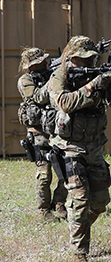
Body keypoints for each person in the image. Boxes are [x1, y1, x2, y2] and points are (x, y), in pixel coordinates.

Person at [48, 36, 111, 262]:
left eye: (92, 59)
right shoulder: (60, 77)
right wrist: (93, 85)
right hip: (70, 147)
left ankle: (76, 227)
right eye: (84, 59)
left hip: (94, 147)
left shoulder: (98, 75)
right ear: (73, 58)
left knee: (100, 201)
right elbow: (64, 103)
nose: (89, 63)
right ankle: (79, 252)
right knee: (80, 199)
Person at [17, 47, 68, 223]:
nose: (45, 63)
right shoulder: (25, 81)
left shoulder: (50, 75)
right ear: (31, 67)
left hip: (56, 131)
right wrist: (53, 80)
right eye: (40, 62)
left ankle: (59, 204)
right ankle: (43, 210)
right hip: (38, 134)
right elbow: (38, 98)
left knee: (66, 169)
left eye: (45, 61)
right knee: (45, 174)